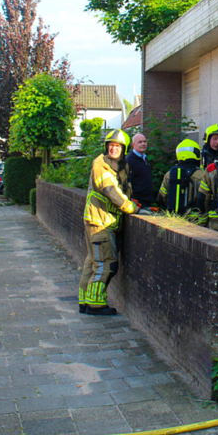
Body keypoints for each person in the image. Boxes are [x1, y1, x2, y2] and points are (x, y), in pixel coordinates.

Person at [80, 129, 140, 316]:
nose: (113, 149)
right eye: (111, 146)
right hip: (100, 221)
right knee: (107, 264)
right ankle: (95, 304)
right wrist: (132, 208)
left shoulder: (121, 166)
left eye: (117, 146)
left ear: (123, 149)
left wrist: (131, 200)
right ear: (106, 147)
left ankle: (85, 299)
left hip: (102, 220)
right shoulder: (101, 164)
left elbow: (124, 188)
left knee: (93, 262)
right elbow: (111, 191)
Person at [157, 138, 206, 224]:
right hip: (197, 222)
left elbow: (161, 197)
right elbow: (206, 199)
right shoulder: (202, 175)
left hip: (174, 220)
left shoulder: (169, 174)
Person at [126, 132, 154, 207]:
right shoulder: (130, 161)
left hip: (147, 201)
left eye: (144, 141)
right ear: (133, 145)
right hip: (137, 203)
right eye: (140, 142)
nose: (143, 144)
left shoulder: (144, 159)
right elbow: (127, 182)